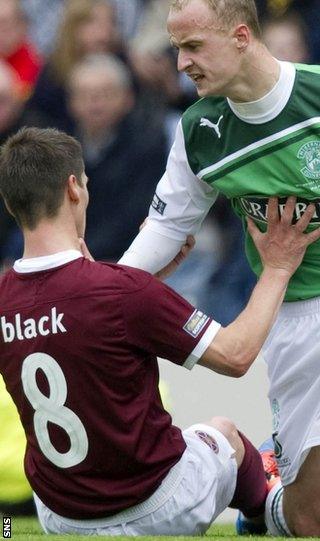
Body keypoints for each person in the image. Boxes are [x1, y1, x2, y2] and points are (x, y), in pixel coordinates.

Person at [0, 128, 318, 536]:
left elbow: (70, 315)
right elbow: (237, 355)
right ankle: (264, 512)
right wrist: (277, 267)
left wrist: (147, 286)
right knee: (222, 433)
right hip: (155, 509)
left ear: (11, 202)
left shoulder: (10, 298)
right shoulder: (121, 293)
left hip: (61, 519)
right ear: (73, 188)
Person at [119, 0, 320, 536]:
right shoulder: (200, 129)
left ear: (239, 37)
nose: (180, 63)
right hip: (298, 317)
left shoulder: (315, 92)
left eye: (192, 46)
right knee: (310, 521)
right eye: (175, 48)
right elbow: (167, 227)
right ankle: (267, 499)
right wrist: (102, 290)